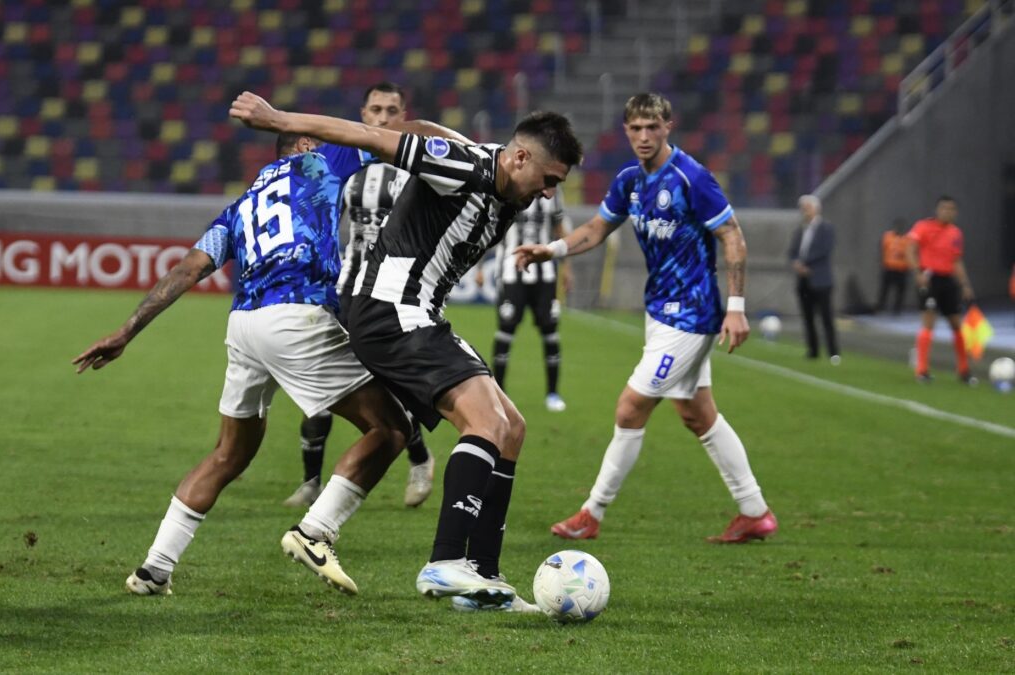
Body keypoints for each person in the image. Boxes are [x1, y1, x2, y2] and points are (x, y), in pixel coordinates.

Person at [230, 91, 583, 611]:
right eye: (549, 179)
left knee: (511, 428)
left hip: (418, 314)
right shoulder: (462, 167)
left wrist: (431, 127)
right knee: (486, 421)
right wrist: (278, 119)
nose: (550, 194)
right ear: (521, 157)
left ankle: (484, 578)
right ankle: (445, 562)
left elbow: (429, 129)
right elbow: (369, 136)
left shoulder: (505, 179)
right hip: (389, 309)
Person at [73, 132, 419, 597]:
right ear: (303, 145)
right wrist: (464, 152)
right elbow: (387, 139)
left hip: (244, 325)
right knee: (392, 429)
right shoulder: (320, 162)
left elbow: (188, 269)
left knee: (229, 454)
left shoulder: (239, 208)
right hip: (296, 316)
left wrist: (126, 331)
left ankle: (155, 569)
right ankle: (315, 531)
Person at [514, 93, 777, 545]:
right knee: (697, 413)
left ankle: (592, 512)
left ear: (667, 126)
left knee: (630, 407)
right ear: (626, 131)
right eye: (635, 128)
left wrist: (735, 308)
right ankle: (754, 511)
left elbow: (732, 236)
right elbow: (597, 228)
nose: (643, 136)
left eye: (652, 127)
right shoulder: (630, 181)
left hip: (691, 315)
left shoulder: (692, 177)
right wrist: (552, 250)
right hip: (659, 312)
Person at [284, 82, 435, 511]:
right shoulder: (347, 161)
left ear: (404, 115)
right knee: (320, 376)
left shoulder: (417, 165)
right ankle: (311, 481)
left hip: (393, 291)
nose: (383, 117)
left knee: (389, 384)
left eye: (391, 110)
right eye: (376, 109)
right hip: (346, 286)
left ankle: (419, 459)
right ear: (363, 114)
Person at [485, 193, 573, 411]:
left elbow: (560, 228)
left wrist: (567, 267)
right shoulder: (510, 187)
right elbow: (490, 227)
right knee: (506, 329)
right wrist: (479, 266)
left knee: (550, 331)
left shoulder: (553, 194)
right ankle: (500, 393)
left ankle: (552, 393)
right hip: (511, 272)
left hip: (545, 274)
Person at [906, 195, 976, 383]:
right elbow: (910, 249)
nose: (948, 212)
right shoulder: (923, 226)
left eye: (951, 209)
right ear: (937, 210)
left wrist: (965, 284)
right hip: (929, 279)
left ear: (956, 212)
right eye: (944, 208)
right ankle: (922, 370)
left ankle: (964, 370)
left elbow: (956, 260)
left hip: (948, 280)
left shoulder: (955, 233)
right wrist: (917, 273)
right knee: (929, 322)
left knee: (956, 324)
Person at [788, 194, 839, 364]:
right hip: (803, 280)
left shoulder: (826, 228)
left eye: (808, 208)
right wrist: (796, 263)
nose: (805, 212)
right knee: (808, 317)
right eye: (803, 209)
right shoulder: (800, 230)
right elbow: (793, 251)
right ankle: (813, 350)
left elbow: (825, 250)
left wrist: (805, 263)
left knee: (826, 317)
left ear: (816, 209)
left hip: (821, 280)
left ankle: (833, 351)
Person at [876, 218, 910, 315]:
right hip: (889, 267)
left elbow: (909, 253)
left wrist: (902, 254)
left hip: (901, 269)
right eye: (896, 227)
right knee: (884, 289)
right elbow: (883, 249)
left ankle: (897, 309)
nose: (898, 229)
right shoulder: (887, 236)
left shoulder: (907, 239)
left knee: (900, 291)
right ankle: (881, 306)